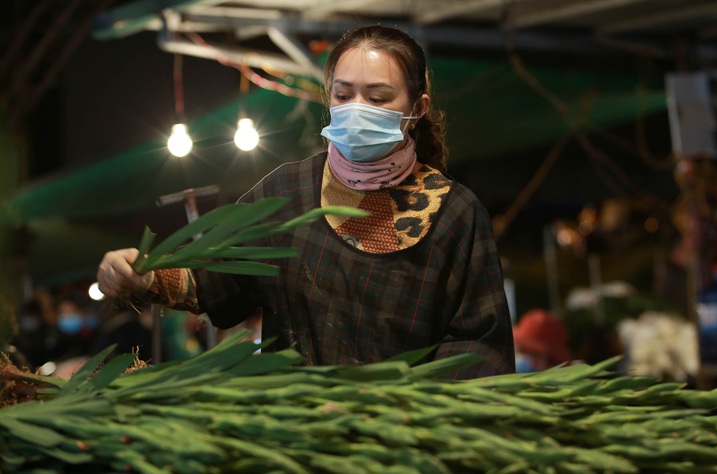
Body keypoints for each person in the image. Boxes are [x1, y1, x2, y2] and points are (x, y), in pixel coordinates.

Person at [97, 25, 514, 378]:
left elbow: (478, 350)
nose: (356, 109)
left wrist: (401, 416)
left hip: (398, 445)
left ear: (417, 108)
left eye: (378, 97)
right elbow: (214, 277)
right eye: (343, 94)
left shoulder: (454, 213)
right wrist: (144, 273)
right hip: (294, 436)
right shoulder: (286, 191)